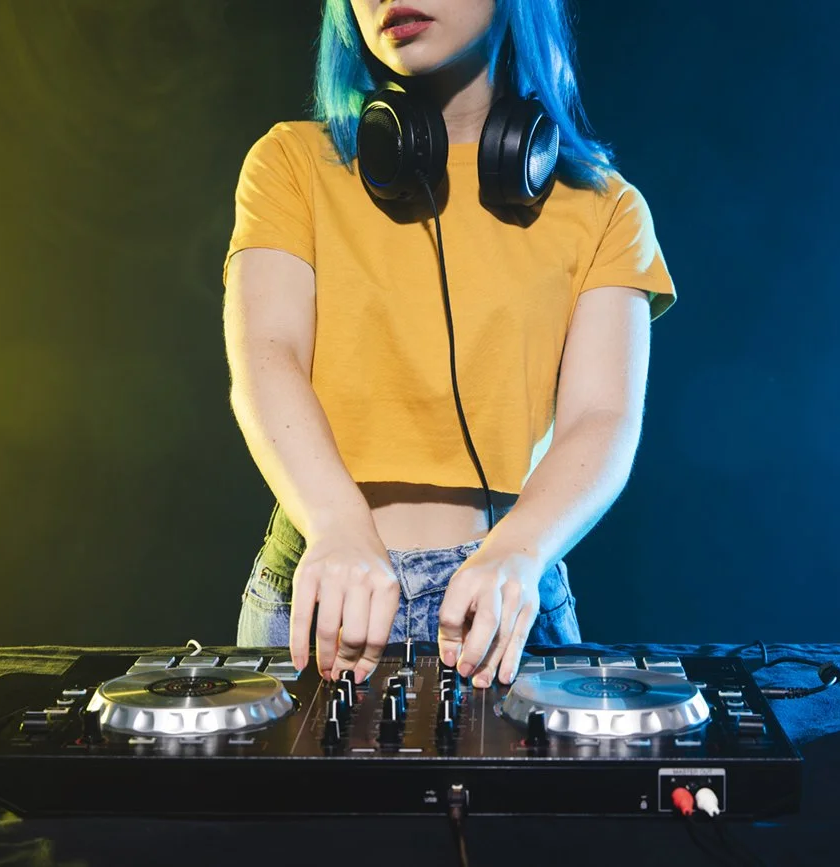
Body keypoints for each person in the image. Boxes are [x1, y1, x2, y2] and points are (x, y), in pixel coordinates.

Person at [222, 0, 675, 691]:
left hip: (502, 596)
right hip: (324, 578)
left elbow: (602, 419)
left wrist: (518, 553)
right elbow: (267, 357)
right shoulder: (288, 163)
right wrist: (338, 525)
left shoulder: (607, 209)